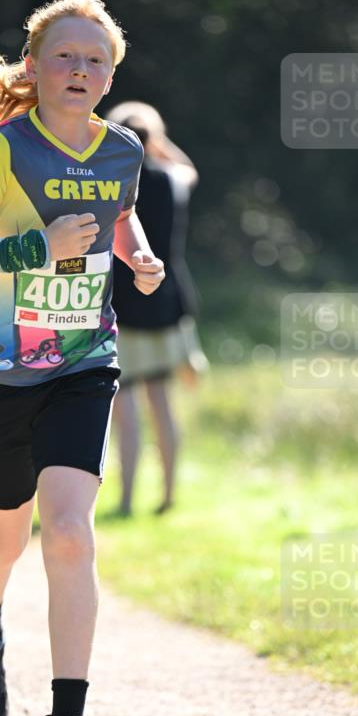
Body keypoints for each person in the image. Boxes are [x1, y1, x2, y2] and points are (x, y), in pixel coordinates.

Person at [0, 0, 165, 716]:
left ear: (109, 75)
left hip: (82, 360)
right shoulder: (3, 149)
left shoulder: (122, 149)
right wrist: (36, 246)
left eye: (96, 60)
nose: (81, 70)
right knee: (3, 535)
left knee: (66, 530)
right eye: (66, 55)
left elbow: (120, 214)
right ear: (33, 66)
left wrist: (138, 256)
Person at [104, 101, 209, 516]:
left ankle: (127, 500)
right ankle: (167, 496)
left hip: (119, 306)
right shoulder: (172, 180)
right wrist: (159, 139)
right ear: (154, 140)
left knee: (124, 409)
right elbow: (190, 168)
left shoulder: (108, 185)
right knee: (162, 404)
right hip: (165, 304)